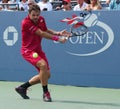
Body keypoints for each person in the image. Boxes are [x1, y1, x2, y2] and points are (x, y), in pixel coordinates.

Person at [15, 4, 70, 102]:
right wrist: (58, 39)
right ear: (29, 14)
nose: (36, 17)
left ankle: (22, 88)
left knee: (46, 75)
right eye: (33, 15)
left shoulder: (41, 19)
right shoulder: (25, 23)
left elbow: (45, 29)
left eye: (37, 15)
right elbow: (41, 33)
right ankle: (46, 93)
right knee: (43, 65)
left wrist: (58, 33)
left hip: (38, 50)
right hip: (28, 51)